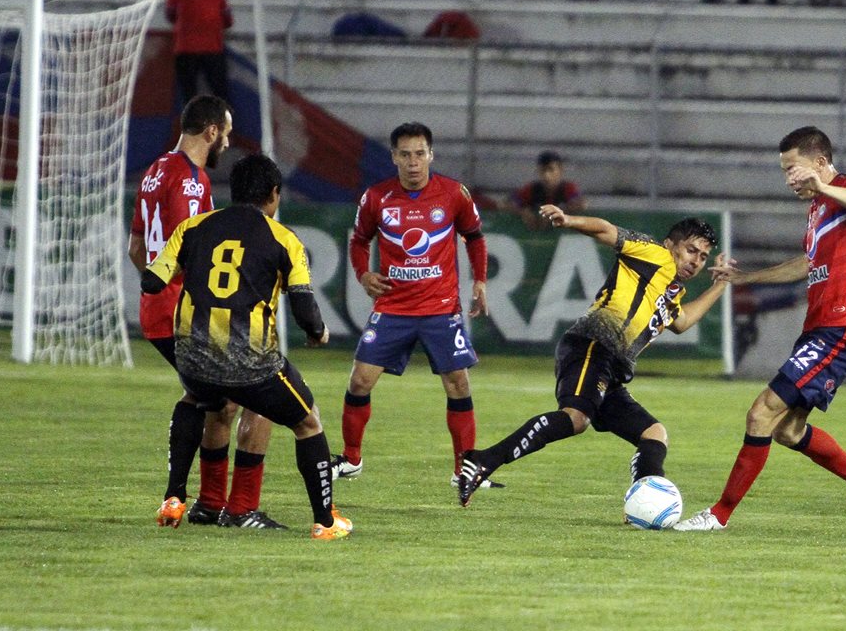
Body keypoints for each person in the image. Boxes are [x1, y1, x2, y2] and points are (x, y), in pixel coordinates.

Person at [674, 126, 846, 533]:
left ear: (821, 164)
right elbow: (805, 265)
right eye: (785, 171)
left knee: (761, 414)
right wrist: (744, 279)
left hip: (841, 327)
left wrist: (822, 187)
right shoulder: (818, 212)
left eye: (793, 169)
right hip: (818, 329)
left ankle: (718, 516)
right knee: (788, 431)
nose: (789, 178)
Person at [143, 153, 354, 541]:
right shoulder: (284, 239)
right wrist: (318, 332)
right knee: (308, 422)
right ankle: (325, 521)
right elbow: (305, 309)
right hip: (250, 360)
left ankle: (177, 498)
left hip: (193, 353)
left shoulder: (193, 227)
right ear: (274, 194)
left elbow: (152, 283)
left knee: (198, 399)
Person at [456, 208, 728, 507]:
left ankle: (643, 501)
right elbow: (606, 230)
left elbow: (683, 321)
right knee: (576, 418)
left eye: (703, 257)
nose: (696, 261)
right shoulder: (653, 254)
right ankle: (482, 460)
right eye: (691, 250)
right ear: (669, 245)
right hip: (591, 345)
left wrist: (721, 285)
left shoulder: (671, 291)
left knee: (654, 434)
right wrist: (569, 220)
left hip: (612, 369)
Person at [131, 96, 282, 530]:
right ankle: (233, 507)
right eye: (227, 133)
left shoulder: (154, 171)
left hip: (155, 308)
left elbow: (137, 249)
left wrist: (158, 290)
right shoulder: (191, 182)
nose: (228, 142)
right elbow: (194, 252)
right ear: (212, 130)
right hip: (186, 312)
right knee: (253, 390)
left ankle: (200, 502)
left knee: (214, 398)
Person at [331, 122, 492, 488]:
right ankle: (352, 459)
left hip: (440, 308)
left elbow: (475, 237)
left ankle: (464, 470)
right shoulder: (376, 198)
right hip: (393, 308)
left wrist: (480, 281)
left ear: (431, 155)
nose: (414, 162)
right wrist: (362, 274)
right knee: (359, 381)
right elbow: (359, 240)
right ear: (394, 157)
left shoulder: (453, 194)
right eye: (405, 154)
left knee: (458, 385)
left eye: (420, 154)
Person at [165, 0, 232, 105]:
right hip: (212, 47)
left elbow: (170, 13)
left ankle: (191, 125)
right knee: (220, 92)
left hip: (185, 47)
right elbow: (227, 17)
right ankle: (227, 125)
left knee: (189, 93)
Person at [509, 150, 586, 230]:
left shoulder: (567, 188)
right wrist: (523, 212)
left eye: (551, 170)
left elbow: (581, 204)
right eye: (543, 170)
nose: (547, 175)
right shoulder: (532, 189)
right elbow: (509, 202)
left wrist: (555, 215)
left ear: (560, 171)